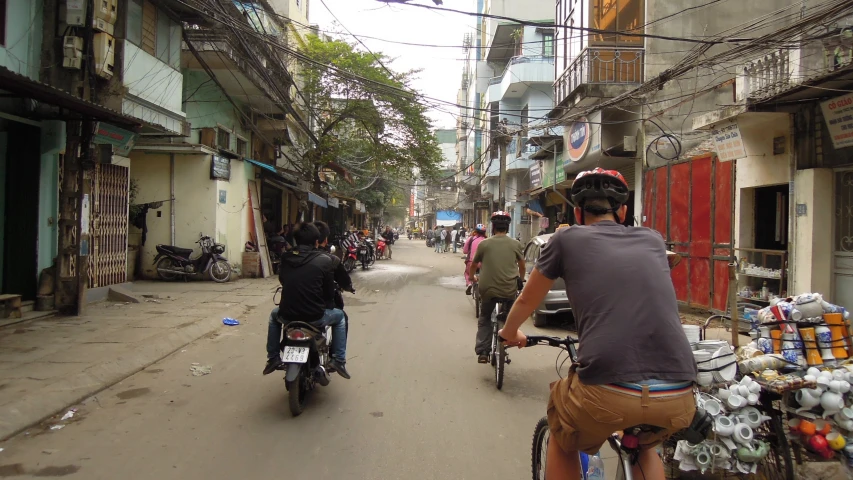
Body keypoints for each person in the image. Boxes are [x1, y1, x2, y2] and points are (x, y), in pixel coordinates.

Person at [498, 168, 696, 480]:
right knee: (643, 444)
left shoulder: (565, 238)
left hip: (608, 388)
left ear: (577, 213)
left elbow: (525, 300)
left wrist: (509, 333)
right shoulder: (653, 239)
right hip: (680, 393)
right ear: (624, 211)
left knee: (562, 430)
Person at [263, 222, 351, 379]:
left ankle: (273, 357)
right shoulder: (325, 260)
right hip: (315, 316)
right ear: (317, 242)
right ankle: (339, 360)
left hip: (287, 314)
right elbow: (329, 291)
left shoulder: (285, 257)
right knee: (340, 318)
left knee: (273, 316)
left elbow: (283, 280)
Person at [469, 212, 525, 363]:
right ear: (508, 227)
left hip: (487, 289)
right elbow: (522, 266)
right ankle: (506, 333)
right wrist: (521, 278)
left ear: (493, 227)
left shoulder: (484, 244)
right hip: (509, 288)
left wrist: (471, 277)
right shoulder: (516, 244)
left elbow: (474, 265)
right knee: (509, 315)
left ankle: (482, 351)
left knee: (485, 317)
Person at [463, 224, 487, 295]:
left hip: (471, 262)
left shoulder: (471, 239)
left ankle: (469, 283)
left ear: (475, 231)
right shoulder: (486, 240)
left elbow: (465, 251)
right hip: (484, 263)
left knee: (467, 273)